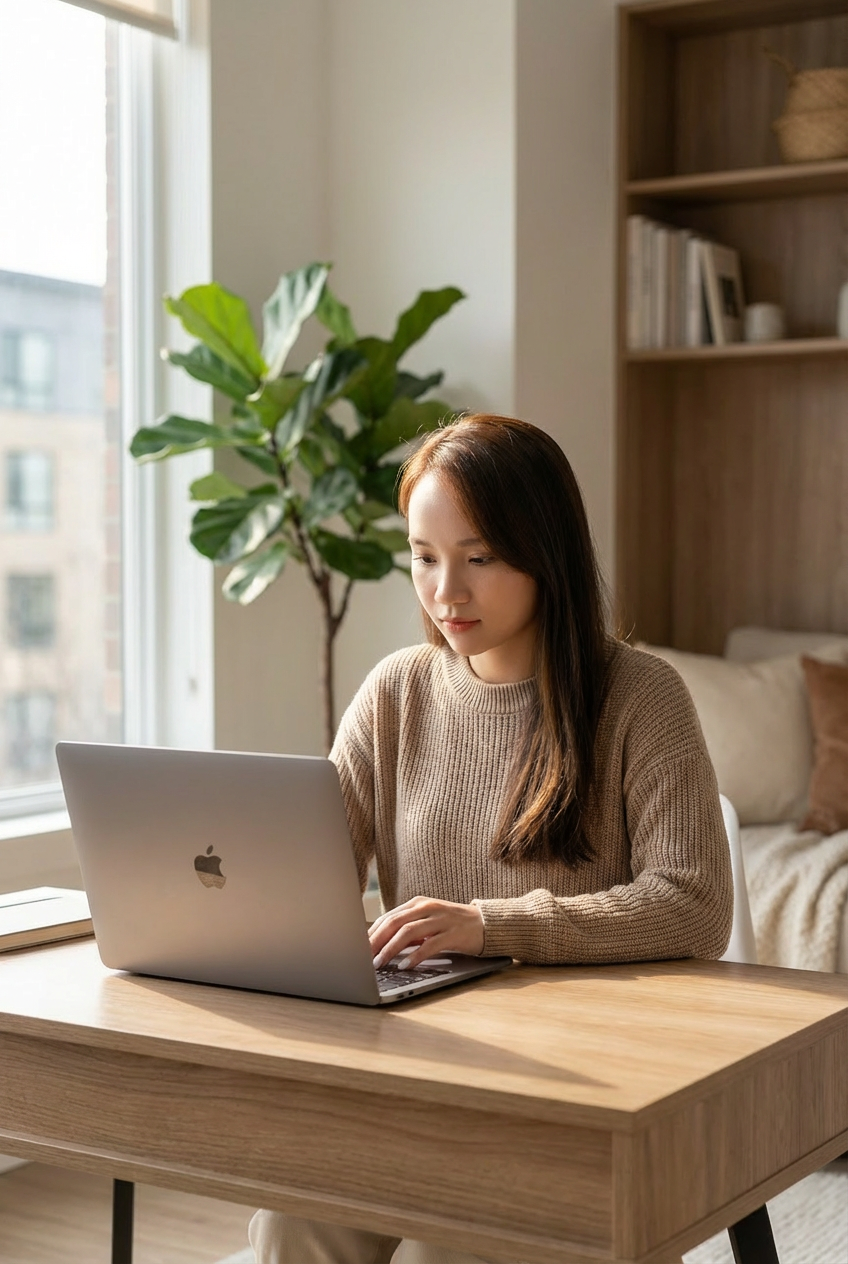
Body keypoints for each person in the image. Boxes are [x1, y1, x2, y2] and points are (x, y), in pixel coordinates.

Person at [248, 413, 732, 1264]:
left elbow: (694, 907)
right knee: (293, 1216)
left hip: (581, 1095)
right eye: (424, 557)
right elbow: (310, 870)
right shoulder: (397, 692)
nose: (446, 593)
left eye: (479, 558)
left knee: (452, 1247)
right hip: (423, 1072)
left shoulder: (642, 697)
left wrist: (492, 925)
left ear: (545, 551)